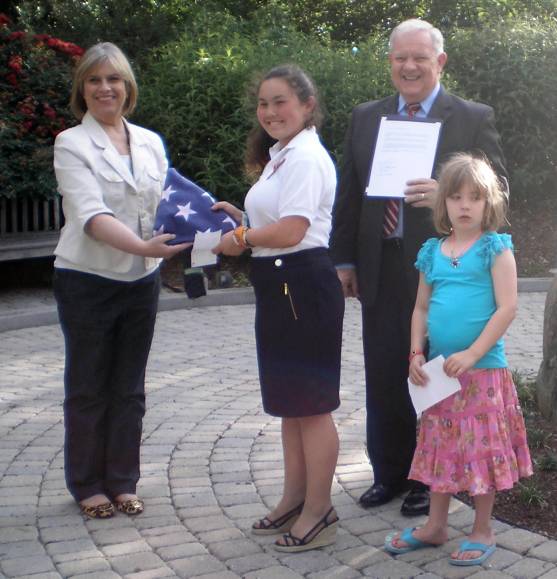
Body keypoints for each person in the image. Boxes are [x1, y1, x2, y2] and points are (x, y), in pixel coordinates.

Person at [329, 18, 508, 516]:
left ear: (440, 63)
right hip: (379, 266)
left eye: (420, 58)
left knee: (436, 375)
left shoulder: (471, 117)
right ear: (390, 63)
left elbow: (501, 192)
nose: (409, 67)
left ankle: (433, 481)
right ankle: (388, 473)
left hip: (447, 272)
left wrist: (445, 196)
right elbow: (349, 194)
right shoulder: (366, 117)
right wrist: (343, 258)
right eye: (399, 58)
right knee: (386, 369)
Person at [212, 64, 344, 552]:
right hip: (281, 283)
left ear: (307, 106)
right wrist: (242, 218)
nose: (269, 112)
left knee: (312, 406)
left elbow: (292, 231)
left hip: (302, 285)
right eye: (263, 104)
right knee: (292, 405)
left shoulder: (307, 157)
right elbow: (280, 221)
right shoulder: (282, 157)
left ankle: (319, 510)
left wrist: (241, 238)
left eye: (280, 101)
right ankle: (294, 497)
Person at [53, 42, 188, 518]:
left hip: (141, 280)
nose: (105, 88)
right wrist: (145, 248)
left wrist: (216, 222)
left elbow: (172, 203)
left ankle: (123, 480)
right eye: (94, 80)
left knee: (129, 387)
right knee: (89, 386)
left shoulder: (150, 141)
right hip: (87, 280)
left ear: (127, 86)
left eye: (114, 79)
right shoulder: (71, 143)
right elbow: (91, 216)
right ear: (82, 90)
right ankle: (88, 485)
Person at [384, 153, 532, 566]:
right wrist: (416, 352)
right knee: (440, 446)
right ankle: (435, 525)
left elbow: (507, 309)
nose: (465, 205)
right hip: (441, 375)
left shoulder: (495, 249)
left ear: (490, 204)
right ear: (442, 203)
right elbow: (420, 310)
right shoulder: (432, 252)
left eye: (475, 198)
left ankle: (482, 529)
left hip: (482, 372)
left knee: (482, 449)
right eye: (456, 197)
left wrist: (472, 353)